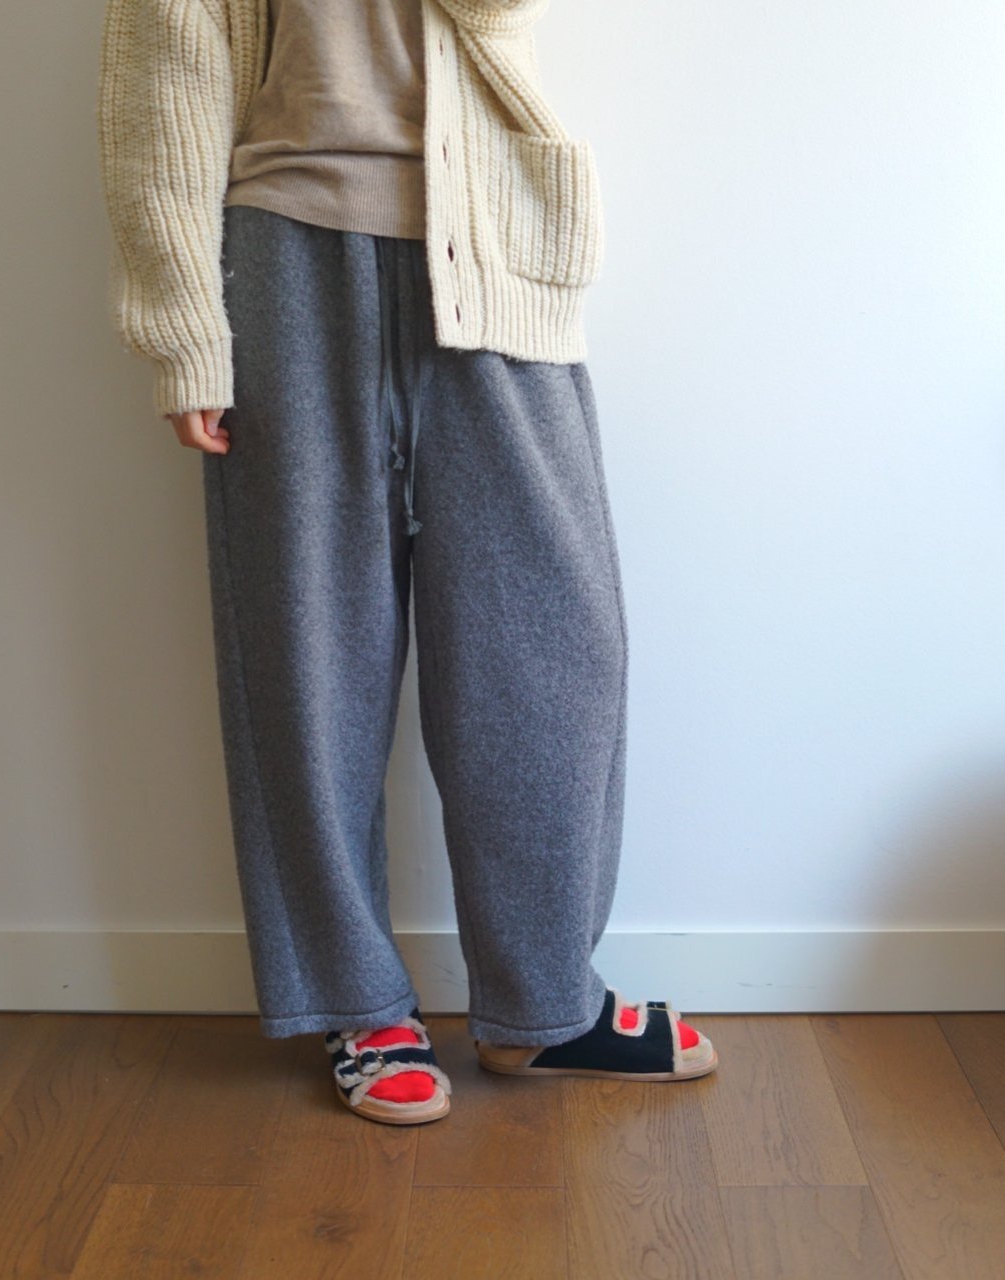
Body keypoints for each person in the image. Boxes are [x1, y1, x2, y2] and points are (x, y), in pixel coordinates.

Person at [97, 0, 718, 1125]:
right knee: (310, 654)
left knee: (553, 648)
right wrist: (184, 325)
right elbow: (165, 78)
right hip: (286, 254)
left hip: (497, 237)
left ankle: (542, 1004)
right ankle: (357, 1001)